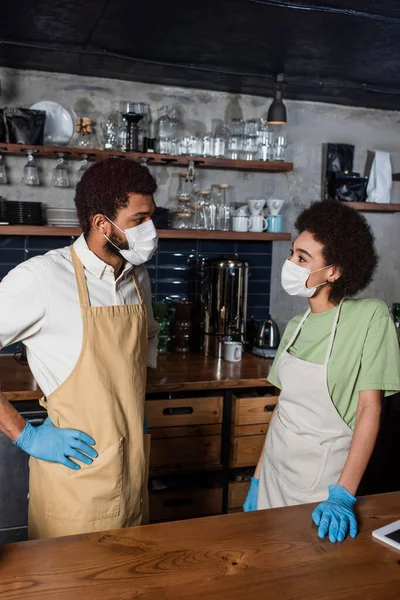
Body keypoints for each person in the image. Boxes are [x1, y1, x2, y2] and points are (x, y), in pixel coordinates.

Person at [0, 158, 160, 539]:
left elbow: (147, 340)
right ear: (103, 223)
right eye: (139, 220)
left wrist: (127, 408)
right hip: (75, 481)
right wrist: (26, 435)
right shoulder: (40, 278)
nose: (151, 230)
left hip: (133, 470)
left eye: (152, 218)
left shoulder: (138, 277)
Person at [243, 200, 400, 543]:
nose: (291, 264)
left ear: (334, 271)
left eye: (302, 258)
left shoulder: (369, 317)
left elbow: (369, 410)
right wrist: (257, 479)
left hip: (321, 491)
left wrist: (343, 493)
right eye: (292, 254)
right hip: (272, 475)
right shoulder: (296, 325)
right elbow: (283, 410)